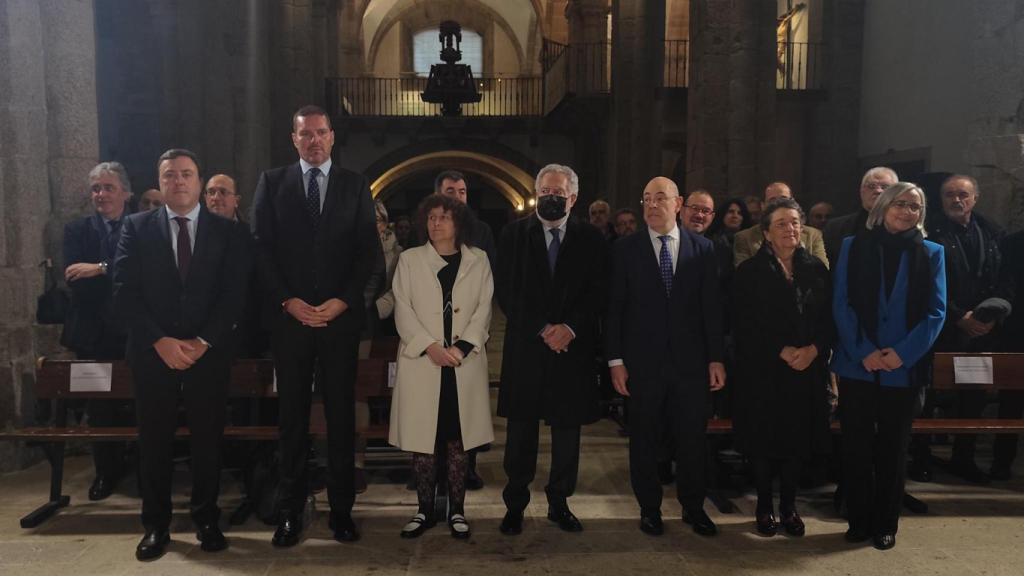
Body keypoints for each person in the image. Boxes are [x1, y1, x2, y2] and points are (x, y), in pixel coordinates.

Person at [252, 104, 381, 546]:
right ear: (294, 139)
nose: (313, 140)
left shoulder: (354, 184)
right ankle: (290, 511)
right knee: (291, 419)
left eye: (321, 133)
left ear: (332, 137)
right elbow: (261, 249)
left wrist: (343, 301)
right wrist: (288, 301)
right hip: (290, 322)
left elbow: (368, 253)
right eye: (305, 134)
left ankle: (342, 511)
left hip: (338, 324)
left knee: (342, 418)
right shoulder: (272, 183)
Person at [113, 148, 250, 561]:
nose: (178, 182)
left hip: (208, 355)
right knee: (154, 442)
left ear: (198, 179)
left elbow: (233, 296)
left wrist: (203, 342)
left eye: (186, 174)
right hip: (153, 353)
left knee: (208, 442)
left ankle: (207, 519)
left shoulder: (227, 232)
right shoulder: (136, 228)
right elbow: (124, 294)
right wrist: (160, 341)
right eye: (169, 175)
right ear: (161, 181)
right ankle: (156, 525)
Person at [606, 176, 725, 538]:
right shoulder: (625, 250)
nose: (652, 205)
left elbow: (711, 309)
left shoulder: (702, 248)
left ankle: (693, 507)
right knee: (644, 439)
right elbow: (614, 309)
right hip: (643, 363)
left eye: (661, 198)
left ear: (679, 204)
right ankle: (649, 509)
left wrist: (716, 358)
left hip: (690, 364)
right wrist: (615, 361)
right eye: (646, 199)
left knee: (691, 439)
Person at [831, 182, 945, 551]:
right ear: (882, 206)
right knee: (858, 445)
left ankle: (885, 524)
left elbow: (936, 312)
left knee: (894, 450)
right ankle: (858, 520)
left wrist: (902, 354)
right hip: (857, 363)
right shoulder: (854, 246)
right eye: (900, 203)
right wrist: (863, 349)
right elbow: (841, 302)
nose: (907, 211)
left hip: (903, 366)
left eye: (915, 206)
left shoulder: (932, 253)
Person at [496, 164, 607, 535]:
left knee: (566, 433)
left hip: (571, 350)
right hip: (528, 348)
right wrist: (544, 328)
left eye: (557, 192)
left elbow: (597, 292)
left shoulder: (591, 239)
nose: (550, 197)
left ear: (572, 198)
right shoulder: (514, 235)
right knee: (521, 433)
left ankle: (560, 502)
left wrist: (570, 328)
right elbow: (507, 291)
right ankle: (515, 504)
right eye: (544, 191)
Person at [389, 194, 494, 539]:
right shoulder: (409, 259)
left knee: (457, 440)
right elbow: (402, 309)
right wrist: (429, 347)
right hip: (424, 362)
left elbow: (484, 307)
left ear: (458, 223)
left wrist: (462, 347)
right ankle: (423, 510)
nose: (436, 223)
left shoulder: (478, 260)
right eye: (431, 217)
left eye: (444, 217)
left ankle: (458, 511)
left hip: (463, 363)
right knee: (424, 440)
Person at [733, 198, 832, 537]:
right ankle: (764, 506)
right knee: (764, 439)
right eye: (781, 224)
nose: (790, 229)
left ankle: (789, 506)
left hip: (807, 368)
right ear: (766, 232)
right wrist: (782, 349)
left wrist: (815, 349)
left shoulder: (816, 268)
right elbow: (743, 324)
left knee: (797, 440)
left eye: (795, 223)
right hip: (765, 369)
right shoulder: (749, 272)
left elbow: (830, 318)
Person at [917, 174, 1011, 483]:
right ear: (941, 200)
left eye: (963, 195)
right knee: (928, 397)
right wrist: (959, 317)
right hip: (942, 331)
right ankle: (920, 458)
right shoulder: (929, 234)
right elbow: (926, 285)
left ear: (975, 198)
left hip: (981, 333)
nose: (957, 200)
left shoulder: (992, 233)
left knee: (973, 398)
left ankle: (964, 458)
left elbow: (1002, 280)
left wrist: (989, 319)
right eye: (949, 195)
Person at [61, 162, 133, 502]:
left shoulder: (139, 226)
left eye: (108, 187)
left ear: (125, 193)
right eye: (96, 189)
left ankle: (138, 467)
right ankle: (106, 472)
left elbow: (139, 274)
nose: (101, 194)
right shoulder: (78, 230)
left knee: (136, 403)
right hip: (92, 333)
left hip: (132, 331)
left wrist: (100, 268)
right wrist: (113, 271)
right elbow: (76, 279)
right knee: (100, 406)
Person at [435, 169, 495, 489]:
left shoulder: (482, 231)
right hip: (433, 331)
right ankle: (435, 465)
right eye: (450, 190)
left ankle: (467, 467)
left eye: (462, 191)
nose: (457, 196)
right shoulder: (425, 228)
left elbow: (490, 283)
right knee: (434, 402)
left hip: (469, 332)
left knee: (468, 405)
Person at [733, 182, 827, 268]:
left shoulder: (813, 235)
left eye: (783, 199)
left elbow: (822, 271)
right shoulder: (744, 237)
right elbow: (744, 275)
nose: (778, 204)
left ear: (793, 202)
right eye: (772, 200)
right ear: (763, 205)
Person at [823, 167, 898, 266]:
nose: (878, 190)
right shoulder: (835, 228)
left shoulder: (902, 227)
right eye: (871, 186)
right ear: (862, 191)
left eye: (885, 187)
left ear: (896, 193)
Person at [371, 200, 404, 331]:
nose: (372, 224)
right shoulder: (352, 248)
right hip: (351, 314)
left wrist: (377, 309)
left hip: (381, 317)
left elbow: (399, 289)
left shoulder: (397, 252)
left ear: (384, 224)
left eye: (377, 220)